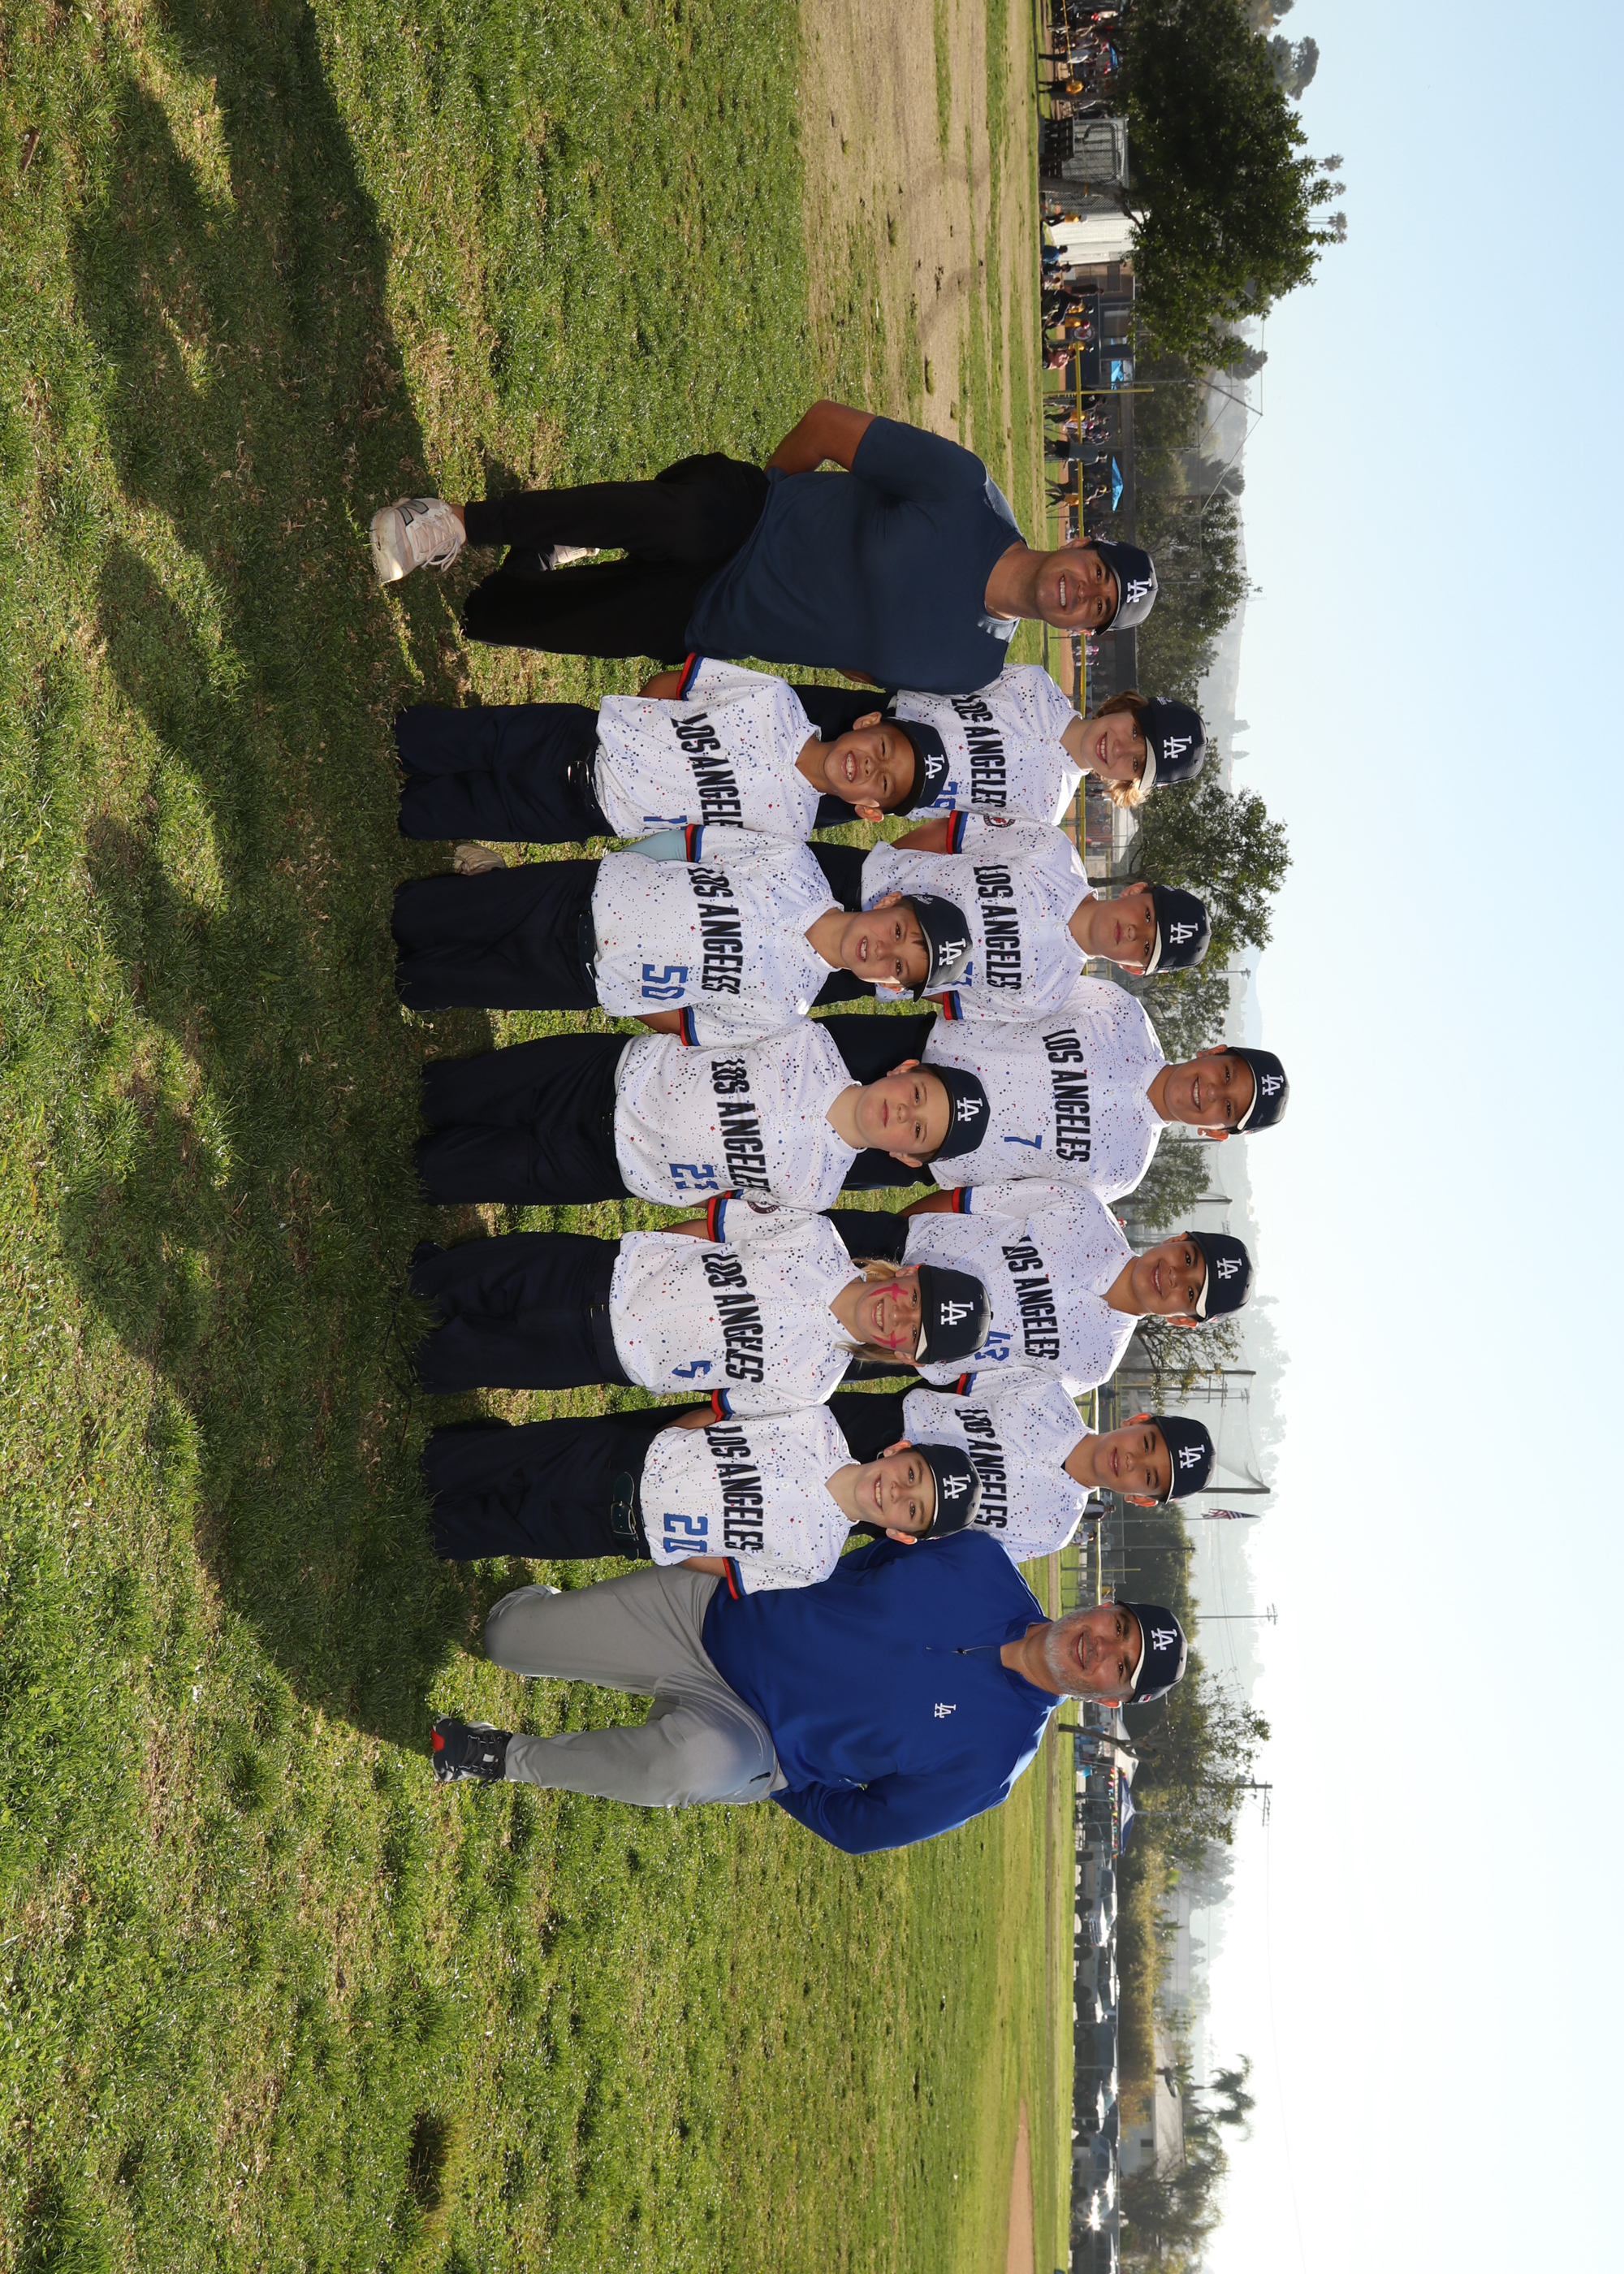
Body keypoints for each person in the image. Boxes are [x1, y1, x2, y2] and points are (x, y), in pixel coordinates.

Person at [426, 1537, 1188, 1853]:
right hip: (713, 1615)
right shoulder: (980, 1559)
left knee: (684, 1768)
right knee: (504, 1638)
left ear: (1108, 1700)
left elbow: (864, 1828)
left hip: (749, 1736)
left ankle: (503, 1757)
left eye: (1118, 1667)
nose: (1101, 1647)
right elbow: (853, 1555)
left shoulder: (991, 1767)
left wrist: (783, 1773)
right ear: (1105, 1605)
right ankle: (545, 1611)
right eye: (1118, 1627)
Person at [369, 400, 1159, 693]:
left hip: (714, 619)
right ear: (1083, 542)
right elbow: (825, 426)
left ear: (1081, 632)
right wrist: (767, 498)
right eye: (1097, 574)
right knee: (680, 523)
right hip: (738, 517)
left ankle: (550, 547)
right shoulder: (964, 490)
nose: (1083, 594)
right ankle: (453, 521)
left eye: (1097, 609)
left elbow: (862, 670)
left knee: (492, 616)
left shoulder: (975, 667)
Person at [391, 814, 1207, 1027]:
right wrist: (891, 873)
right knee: (734, 891)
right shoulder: (1052, 853)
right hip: (874, 887)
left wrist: (898, 973)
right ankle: (493, 894)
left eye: (1144, 948)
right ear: (1138, 893)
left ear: (1135, 968)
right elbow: (952, 836)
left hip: (881, 961)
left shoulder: (1051, 989)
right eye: (1145, 918)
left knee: (752, 975)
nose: (1132, 935)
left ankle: (472, 959)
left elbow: (950, 1002)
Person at [407, 1197, 991, 1404]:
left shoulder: (813, 1383)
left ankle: (430, 1356)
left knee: (441, 1360)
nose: (899, 1314)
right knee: (455, 1279)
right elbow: (718, 1228)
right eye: (914, 1298)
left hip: (608, 1354)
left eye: (911, 1330)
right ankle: (433, 1280)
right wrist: (644, 1253)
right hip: (603, 1272)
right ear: (907, 1272)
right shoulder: (816, 1238)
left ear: (904, 1356)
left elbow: (724, 1404)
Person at [391, 824, 976, 1028]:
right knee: (411, 914)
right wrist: (624, 868)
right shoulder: (794, 864)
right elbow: (692, 846)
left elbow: (690, 1021)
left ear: (888, 985)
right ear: (890, 900)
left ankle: (466, 943)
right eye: (900, 931)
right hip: (580, 896)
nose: (884, 950)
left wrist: (624, 993)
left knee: (419, 983)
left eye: (899, 966)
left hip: (582, 978)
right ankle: (487, 887)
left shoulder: (786, 1007)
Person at [410, 1022, 991, 1213]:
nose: (903, 1111)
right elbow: (700, 1022)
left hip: (608, 1166)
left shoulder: (815, 1190)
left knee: (433, 1172)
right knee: (437, 1095)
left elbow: (725, 1211)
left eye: (917, 1129)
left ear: (906, 1157)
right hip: (601, 1076)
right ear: (905, 1068)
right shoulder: (808, 1040)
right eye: (918, 1092)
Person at [421, 1399, 983, 1589]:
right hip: (622, 1458)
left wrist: (661, 1543)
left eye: (913, 1508)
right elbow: (722, 1412)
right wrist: (663, 1442)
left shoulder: (817, 1560)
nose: (897, 1491)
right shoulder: (816, 1421)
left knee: (503, 1529)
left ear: (900, 1533)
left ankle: (437, 1528)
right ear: (899, 1449)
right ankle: (436, 1465)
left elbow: (730, 1567)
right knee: (502, 1461)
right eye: (912, 1472)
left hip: (624, 1532)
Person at [393, 661, 946, 845]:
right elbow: (676, 685)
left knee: (432, 814)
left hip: (588, 811)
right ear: (868, 721)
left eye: (883, 783)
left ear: (868, 810)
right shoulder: (776, 701)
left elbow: (692, 849)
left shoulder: (788, 832)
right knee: (442, 737)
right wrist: (636, 731)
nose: (871, 766)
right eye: (882, 748)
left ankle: (412, 808)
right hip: (578, 737)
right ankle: (405, 743)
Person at [814, 995, 1289, 1200]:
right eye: (1227, 1074)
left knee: (791, 1170)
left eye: (1228, 1107)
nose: (1212, 1091)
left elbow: (1011, 1197)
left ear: (1217, 1132)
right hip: (919, 1049)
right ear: (1215, 1052)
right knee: (792, 1056)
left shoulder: (1122, 1171)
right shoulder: (1122, 1014)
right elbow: (1010, 994)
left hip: (919, 1152)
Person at [820, 1191, 1253, 1394]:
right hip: (891, 1253)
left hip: (898, 1346)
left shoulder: (1094, 1363)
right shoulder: (1086, 1211)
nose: (1175, 1277)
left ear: (1182, 1319)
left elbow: (979, 1386)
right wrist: (890, 1243)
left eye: (1190, 1293)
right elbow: (962, 1202)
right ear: (1178, 1239)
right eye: (1189, 1259)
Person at [824, 1381, 1216, 1561]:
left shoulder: (1054, 1530)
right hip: (869, 1425)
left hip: (880, 1510)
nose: (1133, 1461)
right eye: (1147, 1444)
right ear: (1138, 1420)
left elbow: (953, 1554)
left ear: (1140, 1499)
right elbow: (947, 1378)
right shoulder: (1046, 1391)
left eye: (1148, 1477)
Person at [783, 664, 1208, 822]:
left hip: (873, 794)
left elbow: (952, 830)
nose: (1119, 749)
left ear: (1128, 785)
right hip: (869, 721)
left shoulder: (1044, 812)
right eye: (1135, 733)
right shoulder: (1035, 685)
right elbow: (938, 676)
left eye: (1136, 764)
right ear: (1127, 707)